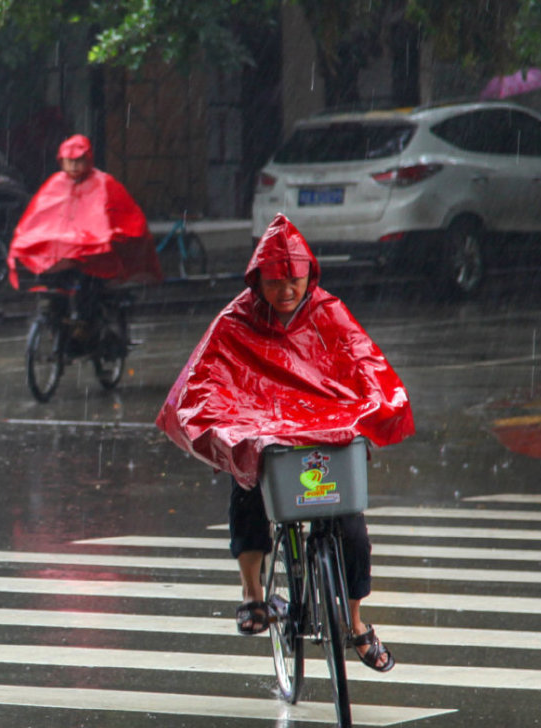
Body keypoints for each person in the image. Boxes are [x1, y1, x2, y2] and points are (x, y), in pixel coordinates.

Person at [156, 213, 414, 672]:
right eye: (275, 282)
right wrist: (231, 429)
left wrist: (375, 406)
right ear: (259, 281)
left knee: (350, 526)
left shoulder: (329, 312)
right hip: (265, 438)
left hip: (327, 432)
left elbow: (365, 364)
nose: (285, 291)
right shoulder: (235, 320)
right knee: (247, 489)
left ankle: (356, 623)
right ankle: (253, 596)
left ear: (307, 276)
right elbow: (206, 382)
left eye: (293, 280)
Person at [7, 134, 161, 289]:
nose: (74, 166)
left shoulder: (104, 183)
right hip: (66, 251)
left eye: (78, 160)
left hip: (93, 254)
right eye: (69, 161)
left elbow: (126, 216)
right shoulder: (54, 184)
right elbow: (37, 217)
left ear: (88, 159)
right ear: (62, 161)